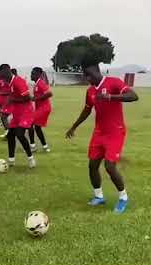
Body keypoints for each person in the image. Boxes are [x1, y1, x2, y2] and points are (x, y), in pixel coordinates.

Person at [65, 63, 138, 214]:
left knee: (110, 166)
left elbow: (133, 96)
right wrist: (74, 126)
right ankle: (99, 197)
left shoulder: (114, 82)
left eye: (88, 75)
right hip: (99, 133)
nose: (87, 79)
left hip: (115, 132)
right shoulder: (90, 91)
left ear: (94, 73)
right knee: (92, 165)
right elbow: (86, 110)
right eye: (85, 76)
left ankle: (123, 198)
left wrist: (111, 97)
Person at [0, 64, 36, 168]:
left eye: (2, 76)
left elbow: (28, 98)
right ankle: (11, 160)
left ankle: (31, 159)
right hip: (17, 112)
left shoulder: (19, 81)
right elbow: (11, 96)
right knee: (10, 134)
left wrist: (13, 100)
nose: (2, 79)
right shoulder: (9, 83)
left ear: (7, 72)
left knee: (19, 133)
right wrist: (5, 109)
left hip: (26, 112)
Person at [29, 67, 52, 153]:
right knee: (37, 128)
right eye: (31, 73)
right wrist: (33, 98)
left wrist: (36, 98)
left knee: (29, 123)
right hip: (40, 108)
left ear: (38, 74)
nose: (31, 75)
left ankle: (32, 146)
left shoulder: (41, 83)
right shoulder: (36, 84)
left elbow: (49, 93)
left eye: (33, 73)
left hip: (44, 108)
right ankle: (45, 147)